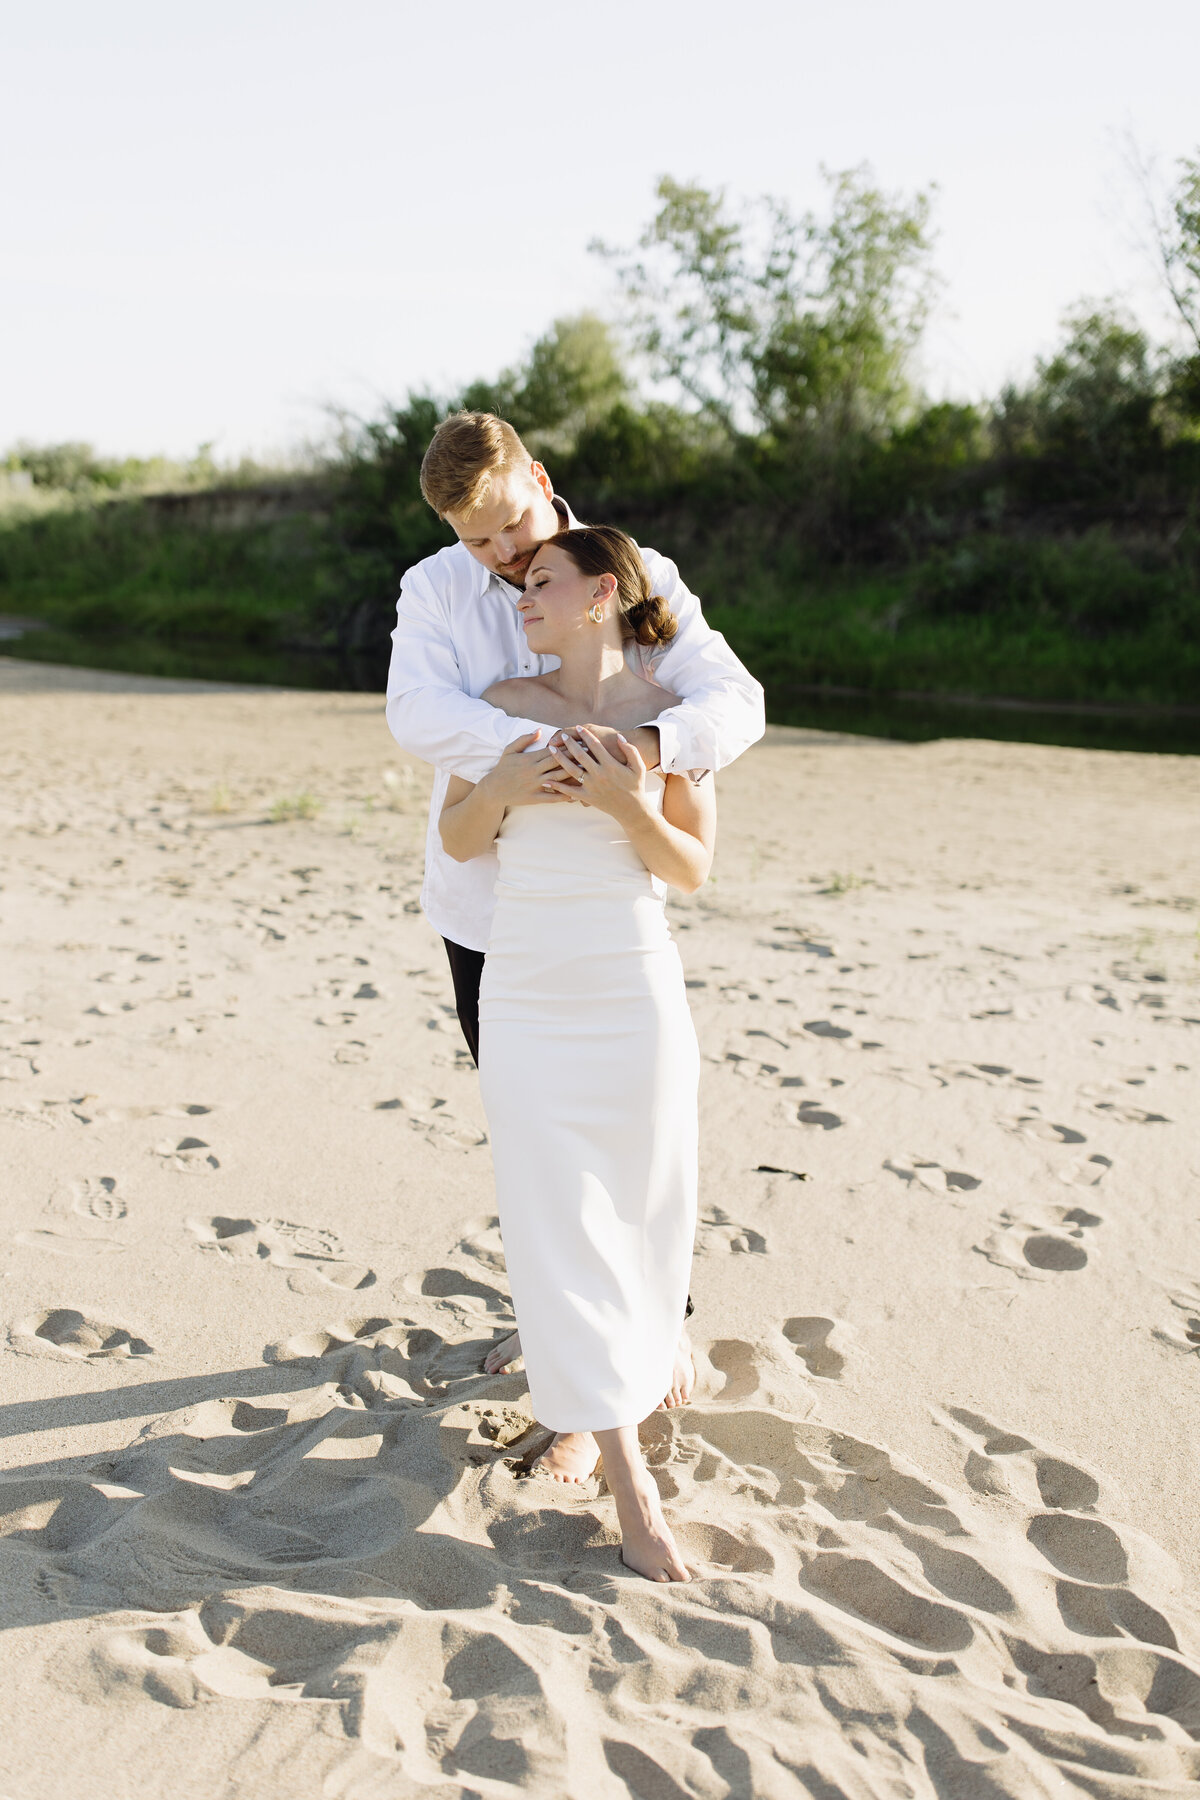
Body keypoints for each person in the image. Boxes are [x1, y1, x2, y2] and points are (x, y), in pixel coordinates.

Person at [385, 411, 764, 1481]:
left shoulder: (630, 577)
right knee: (540, 1150)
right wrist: (536, 748)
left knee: (639, 1140)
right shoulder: (434, 595)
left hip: (606, 925)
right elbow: (416, 714)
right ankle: (563, 1343)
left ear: (539, 481)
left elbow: (733, 702)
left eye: (509, 528)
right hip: (487, 917)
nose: (503, 561)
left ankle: (660, 1324)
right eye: (478, 542)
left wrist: (639, 747)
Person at [439, 525, 711, 1582]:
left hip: (632, 992)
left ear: (601, 595)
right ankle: (628, 1479)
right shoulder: (502, 708)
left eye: (540, 581)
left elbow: (691, 867)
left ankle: (639, 1367)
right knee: (556, 1219)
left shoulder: (669, 720)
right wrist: (501, 792)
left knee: (647, 1206)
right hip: (529, 996)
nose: (521, 596)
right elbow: (462, 839)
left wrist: (624, 802)